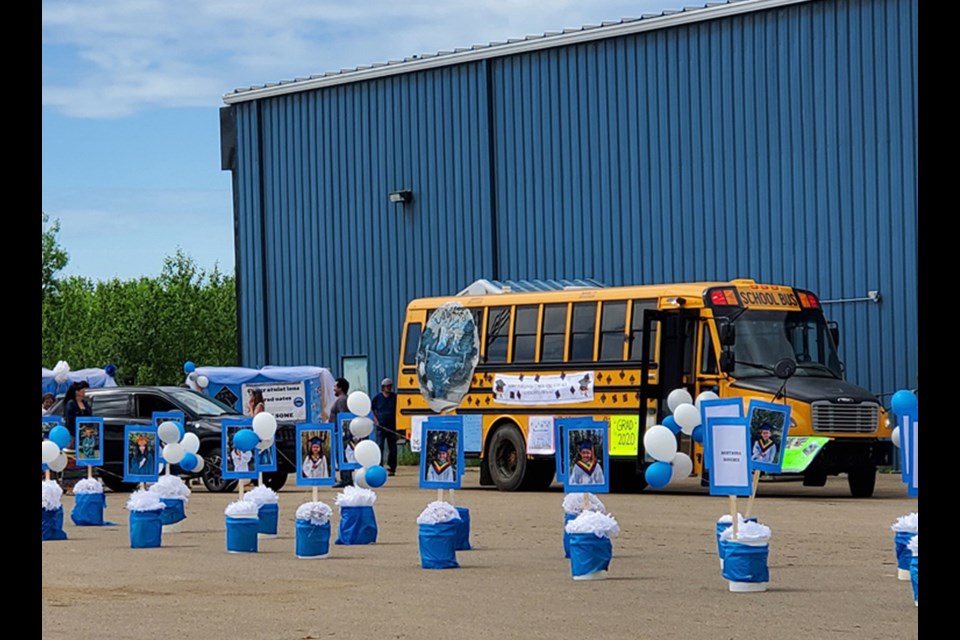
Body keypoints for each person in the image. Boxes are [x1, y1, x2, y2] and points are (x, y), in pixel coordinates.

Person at [371, 378, 398, 476]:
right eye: (387, 386)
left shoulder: (395, 397)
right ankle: (379, 466)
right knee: (379, 446)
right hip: (381, 427)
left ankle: (392, 468)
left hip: (392, 426)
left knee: (393, 448)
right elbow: (372, 408)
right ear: (383, 387)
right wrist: (376, 420)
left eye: (390, 386)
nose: (389, 388)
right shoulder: (377, 398)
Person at [330, 377, 352, 487]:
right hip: (338, 432)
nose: (334, 389)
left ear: (341, 388)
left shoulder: (342, 400)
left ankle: (346, 479)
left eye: (335, 387)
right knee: (341, 456)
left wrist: (343, 433)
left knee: (342, 456)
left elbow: (344, 417)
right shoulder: (342, 399)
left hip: (340, 433)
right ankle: (346, 478)